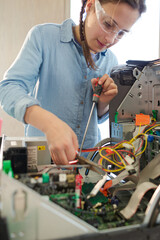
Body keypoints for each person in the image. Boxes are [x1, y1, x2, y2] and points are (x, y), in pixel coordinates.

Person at [0, 0, 146, 166]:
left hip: (88, 165)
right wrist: (49, 124)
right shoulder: (43, 37)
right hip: (42, 162)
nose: (110, 38)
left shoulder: (110, 60)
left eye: (121, 33)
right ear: (90, 6)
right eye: (108, 24)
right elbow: (8, 89)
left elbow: (96, 118)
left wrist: (104, 101)